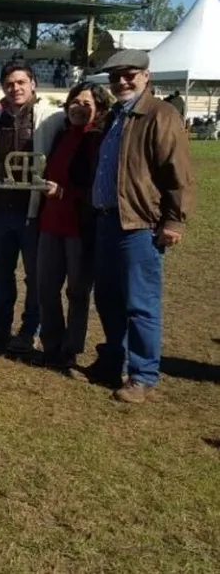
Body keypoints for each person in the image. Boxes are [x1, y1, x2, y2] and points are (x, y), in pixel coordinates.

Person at [88, 50, 194, 403]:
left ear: (146, 75)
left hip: (139, 223)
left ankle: (143, 375)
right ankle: (111, 361)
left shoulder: (161, 115)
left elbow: (177, 172)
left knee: (140, 303)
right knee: (107, 298)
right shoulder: (115, 116)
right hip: (107, 221)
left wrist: (174, 220)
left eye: (129, 74)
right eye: (115, 75)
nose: (122, 81)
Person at [0, 61, 60, 355]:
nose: (16, 88)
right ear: (3, 87)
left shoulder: (52, 118)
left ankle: (29, 330)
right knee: (0, 270)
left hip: (32, 213)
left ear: (33, 84)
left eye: (21, 82)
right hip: (0, 208)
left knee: (34, 275)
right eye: (10, 83)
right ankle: (0, 324)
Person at [35, 82, 110, 372]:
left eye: (86, 103)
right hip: (50, 223)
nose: (79, 107)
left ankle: (71, 349)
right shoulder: (60, 135)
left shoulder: (98, 139)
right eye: (74, 102)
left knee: (77, 292)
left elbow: (96, 187)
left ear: (99, 108)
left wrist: (65, 193)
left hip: (79, 226)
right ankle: (51, 344)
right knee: (45, 288)